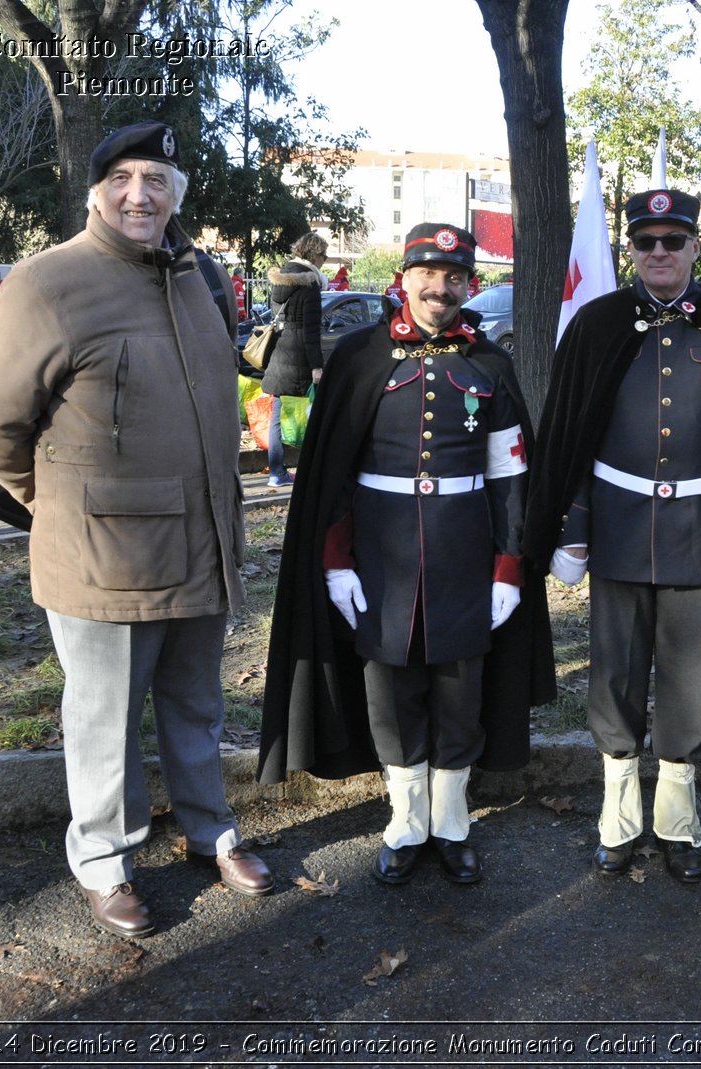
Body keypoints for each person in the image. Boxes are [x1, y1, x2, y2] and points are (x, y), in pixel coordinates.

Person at [0, 121, 271, 939]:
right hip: (102, 557)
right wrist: (54, 504)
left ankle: (211, 829)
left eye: (158, 180)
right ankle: (105, 860)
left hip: (201, 541)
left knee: (196, 702)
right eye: (125, 178)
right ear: (97, 190)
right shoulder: (48, 281)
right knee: (103, 716)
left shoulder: (196, 273)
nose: (142, 195)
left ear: (176, 195)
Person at [260, 222, 551, 886]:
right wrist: (335, 562)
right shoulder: (361, 357)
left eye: (453, 278)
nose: (439, 288)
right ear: (403, 279)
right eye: (427, 274)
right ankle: (406, 819)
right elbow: (331, 473)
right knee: (389, 690)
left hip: (464, 554)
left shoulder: (490, 365)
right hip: (380, 558)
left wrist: (509, 566)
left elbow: (510, 472)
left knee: (458, 689)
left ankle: (451, 823)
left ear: (467, 285)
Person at [525, 189, 701, 883]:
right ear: (630, 251)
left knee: (687, 674)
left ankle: (677, 817)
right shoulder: (596, 326)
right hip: (617, 525)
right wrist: (575, 529)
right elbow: (578, 438)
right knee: (614, 671)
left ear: (693, 248)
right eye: (644, 243)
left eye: (671, 242)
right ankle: (618, 816)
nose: (658, 254)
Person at [260, 232, 327, 487]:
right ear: (313, 254)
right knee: (312, 414)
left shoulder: (281, 280)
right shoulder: (309, 284)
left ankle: (276, 472)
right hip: (299, 357)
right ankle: (312, 470)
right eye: (323, 254)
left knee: (278, 417)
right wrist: (317, 366)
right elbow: (311, 331)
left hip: (280, 354)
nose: (325, 259)